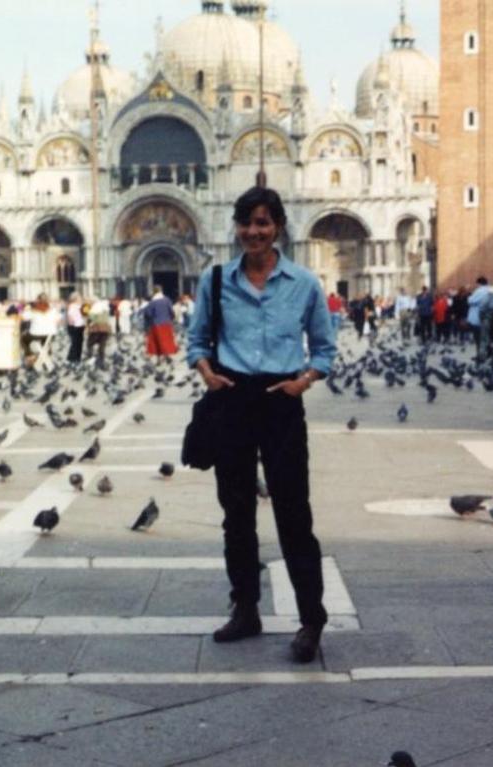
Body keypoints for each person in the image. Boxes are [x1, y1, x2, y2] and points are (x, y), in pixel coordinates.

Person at [186, 186, 336, 664]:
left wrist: (305, 380)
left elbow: (326, 348)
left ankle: (311, 619)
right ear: (235, 226)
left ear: (279, 227)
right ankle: (246, 607)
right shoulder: (215, 280)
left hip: (280, 400)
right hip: (232, 399)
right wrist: (206, 372)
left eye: (263, 223)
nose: (254, 232)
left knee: (294, 513)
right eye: (246, 223)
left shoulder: (304, 283)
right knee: (237, 514)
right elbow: (196, 341)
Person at [143, 285, 178, 357]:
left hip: (156, 324)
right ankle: (167, 356)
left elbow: (148, 313)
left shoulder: (152, 302)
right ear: (161, 291)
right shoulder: (167, 300)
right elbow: (171, 312)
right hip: (167, 323)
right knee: (166, 341)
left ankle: (159, 358)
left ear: (154, 292)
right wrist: (171, 319)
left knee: (157, 342)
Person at [86, 295, 112, 365]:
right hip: (106, 328)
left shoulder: (95, 307)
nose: (89, 303)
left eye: (90, 301)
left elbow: (91, 318)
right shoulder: (105, 307)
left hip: (96, 328)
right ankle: (101, 360)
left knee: (90, 344)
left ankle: (90, 359)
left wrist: (88, 325)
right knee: (102, 345)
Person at [66, 293, 85, 365]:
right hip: (74, 326)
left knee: (79, 343)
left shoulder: (80, 306)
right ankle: (71, 358)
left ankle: (77, 358)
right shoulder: (72, 306)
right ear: (75, 299)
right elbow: (70, 316)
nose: (80, 299)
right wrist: (72, 324)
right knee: (75, 343)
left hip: (80, 325)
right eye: (79, 298)